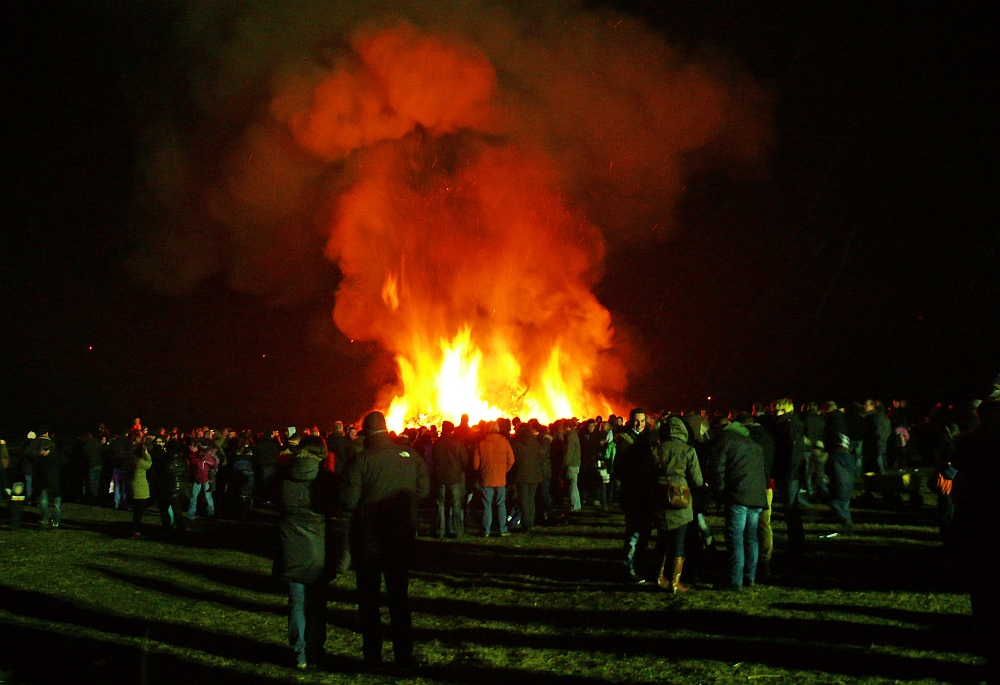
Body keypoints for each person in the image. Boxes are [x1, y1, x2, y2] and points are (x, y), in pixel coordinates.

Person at [341, 411, 429, 670]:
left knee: (369, 602)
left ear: (366, 433)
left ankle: (372, 657)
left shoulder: (361, 460)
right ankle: (404, 656)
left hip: (369, 542)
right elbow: (423, 490)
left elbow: (347, 501)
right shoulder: (410, 456)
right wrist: (406, 509)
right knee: (399, 599)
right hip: (400, 539)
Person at [274, 433, 331, 670]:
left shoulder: (284, 477)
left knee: (296, 604)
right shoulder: (324, 480)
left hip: (290, 547)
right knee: (316, 605)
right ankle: (315, 651)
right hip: (317, 548)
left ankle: (300, 655)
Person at [711, 414, 768, 590]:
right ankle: (750, 577)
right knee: (751, 537)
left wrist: (719, 494)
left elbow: (717, 470)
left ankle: (734, 580)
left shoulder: (724, 439)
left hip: (738, 495)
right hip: (756, 496)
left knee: (735, 537)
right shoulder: (751, 442)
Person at [651, 416, 704, 592]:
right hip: (681, 500)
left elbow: (648, 474)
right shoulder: (688, 450)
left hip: (659, 498)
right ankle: (674, 582)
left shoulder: (656, 449)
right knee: (679, 541)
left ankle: (658, 577)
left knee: (661, 540)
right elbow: (697, 480)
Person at [616, 408, 657, 583]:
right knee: (634, 533)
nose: (639, 424)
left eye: (641, 421)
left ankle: (639, 565)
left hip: (647, 493)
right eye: (636, 421)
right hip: (633, 493)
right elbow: (618, 469)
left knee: (645, 533)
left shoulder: (648, 438)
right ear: (630, 421)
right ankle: (628, 567)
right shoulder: (625, 440)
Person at [472, 421, 515, 537]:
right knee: (501, 503)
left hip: (486, 478)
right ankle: (502, 529)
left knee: (487, 505)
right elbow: (511, 460)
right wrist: (503, 471)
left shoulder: (480, 443)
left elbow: (475, 464)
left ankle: (486, 530)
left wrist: (482, 472)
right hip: (500, 478)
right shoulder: (504, 441)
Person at [432, 421, 469, 538]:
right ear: (452, 430)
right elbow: (465, 461)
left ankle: (441, 531)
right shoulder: (457, 444)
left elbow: (434, 459)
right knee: (456, 505)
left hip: (441, 478)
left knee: (441, 505)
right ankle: (457, 531)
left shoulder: (437, 444)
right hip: (455, 478)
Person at [128, 438, 154, 538]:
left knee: (136, 511)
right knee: (139, 512)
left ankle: (135, 529)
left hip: (134, 487)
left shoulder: (132, 461)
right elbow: (149, 464)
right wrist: (147, 454)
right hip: (141, 488)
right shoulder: (141, 462)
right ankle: (136, 530)